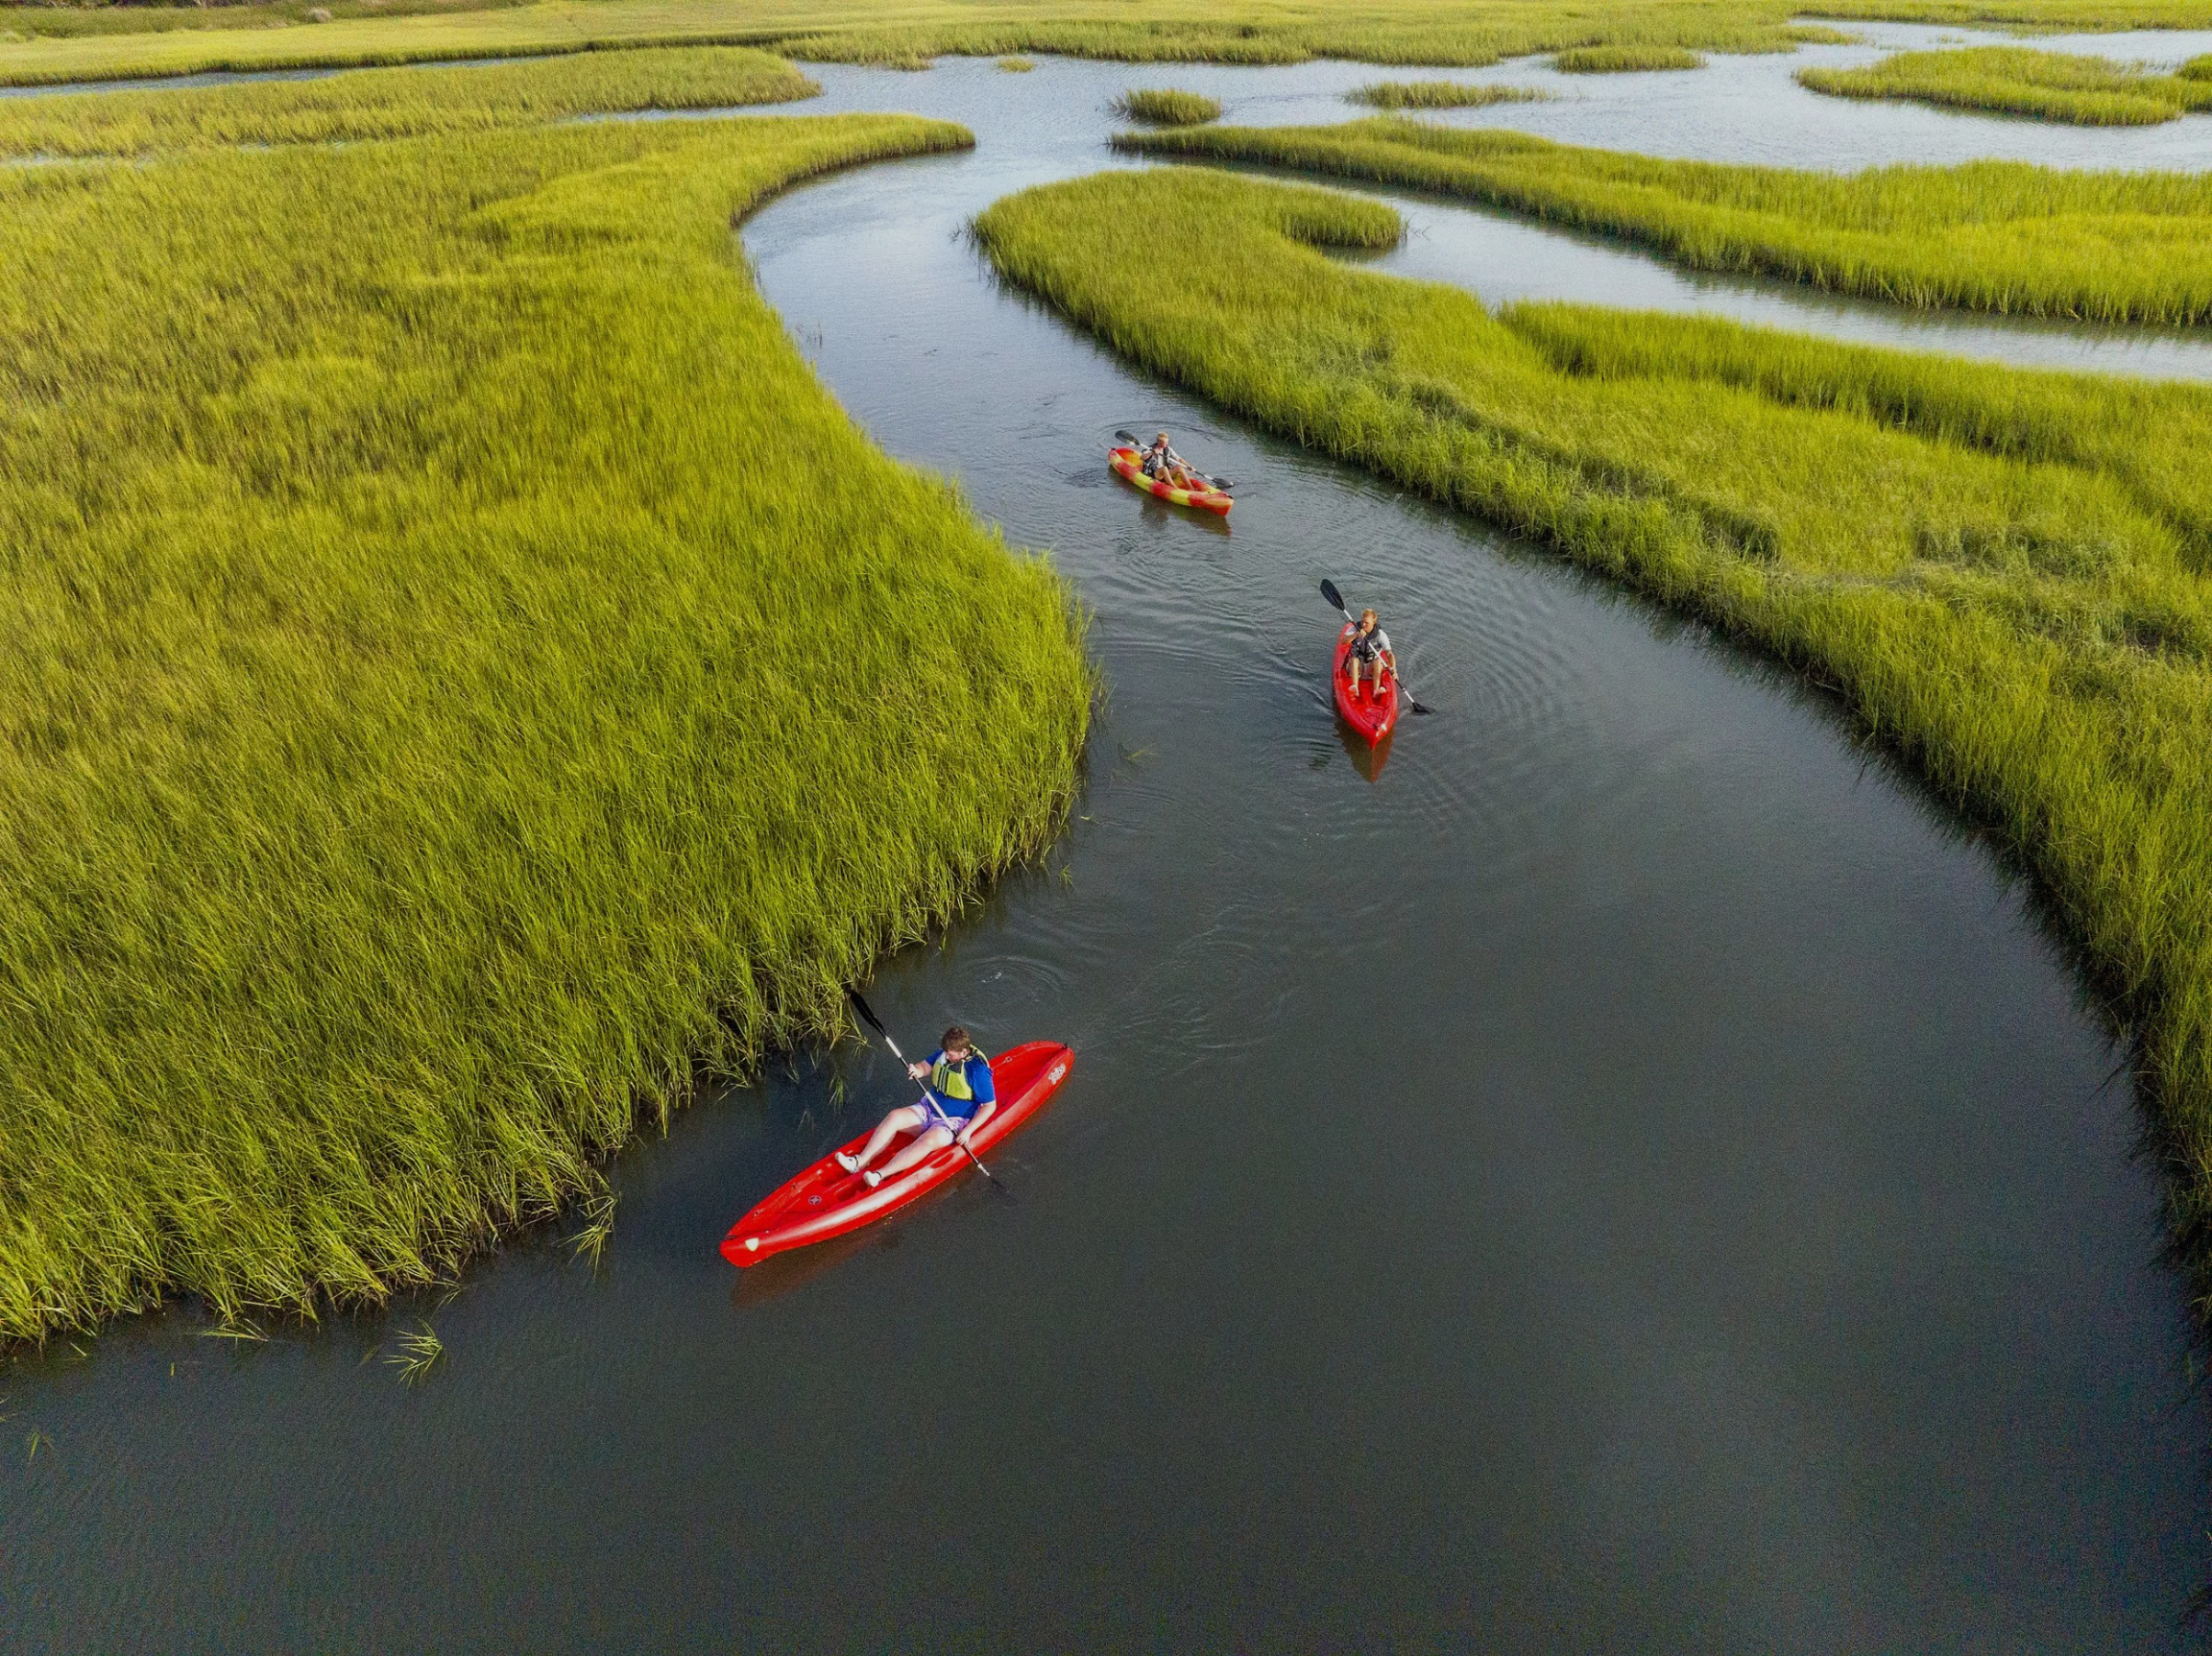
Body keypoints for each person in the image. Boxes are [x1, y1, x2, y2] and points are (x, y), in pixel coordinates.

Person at [834, 1025, 997, 1189]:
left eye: (950, 1054)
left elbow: (989, 1106)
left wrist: (968, 1131)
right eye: (945, 1052)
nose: (946, 1056)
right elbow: (925, 1066)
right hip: (928, 1108)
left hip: (952, 1122)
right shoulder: (944, 1054)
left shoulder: (977, 1071)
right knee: (894, 1116)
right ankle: (859, 1162)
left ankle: (879, 1175)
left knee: (927, 1141)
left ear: (963, 1053)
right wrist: (917, 1070)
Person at [1344, 608, 1395, 702]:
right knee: (1354, 660)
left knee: (1378, 661)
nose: (1363, 625)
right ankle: (1355, 688)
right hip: (1356, 667)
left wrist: (1393, 669)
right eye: (1362, 621)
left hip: (1371, 668)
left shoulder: (1380, 635)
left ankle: (1376, 690)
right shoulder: (1355, 629)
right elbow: (1343, 642)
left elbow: (1389, 653)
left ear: (1373, 622)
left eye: (1366, 623)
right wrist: (1355, 635)